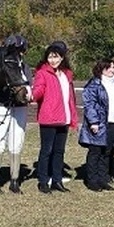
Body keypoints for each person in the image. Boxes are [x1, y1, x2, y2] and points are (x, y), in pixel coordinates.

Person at [0, 34, 32, 194]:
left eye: (20, 50)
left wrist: (28, 95)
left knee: (16, 141)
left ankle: (14, 180)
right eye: (14, 50)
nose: (18, 53)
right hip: (0, 105)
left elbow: (29, 85)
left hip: (19, 108)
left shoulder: (24, 68)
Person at [31, 41, 78, 194]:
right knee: (46, 150)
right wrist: (31, 95)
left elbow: (70, 98)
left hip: (64, 117)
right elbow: (38, 90)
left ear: (62, 58)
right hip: (49, 117)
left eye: (56, 57)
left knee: (59, 151)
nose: (53, 60)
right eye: (50, 57)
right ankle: (43, 181)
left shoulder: (66, 75)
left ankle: (57, 180)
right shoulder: (42, 73)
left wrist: (72, 117)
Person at [78, 59, 114, 191]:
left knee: (107, 152)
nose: (112, 70)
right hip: (99, 123)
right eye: (108, 68)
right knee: (95, 152)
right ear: (101, 69)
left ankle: (103, 178)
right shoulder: (94, 84)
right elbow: (90, 104)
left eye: (113, 68)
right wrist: (93, 122)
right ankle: (92, 180)